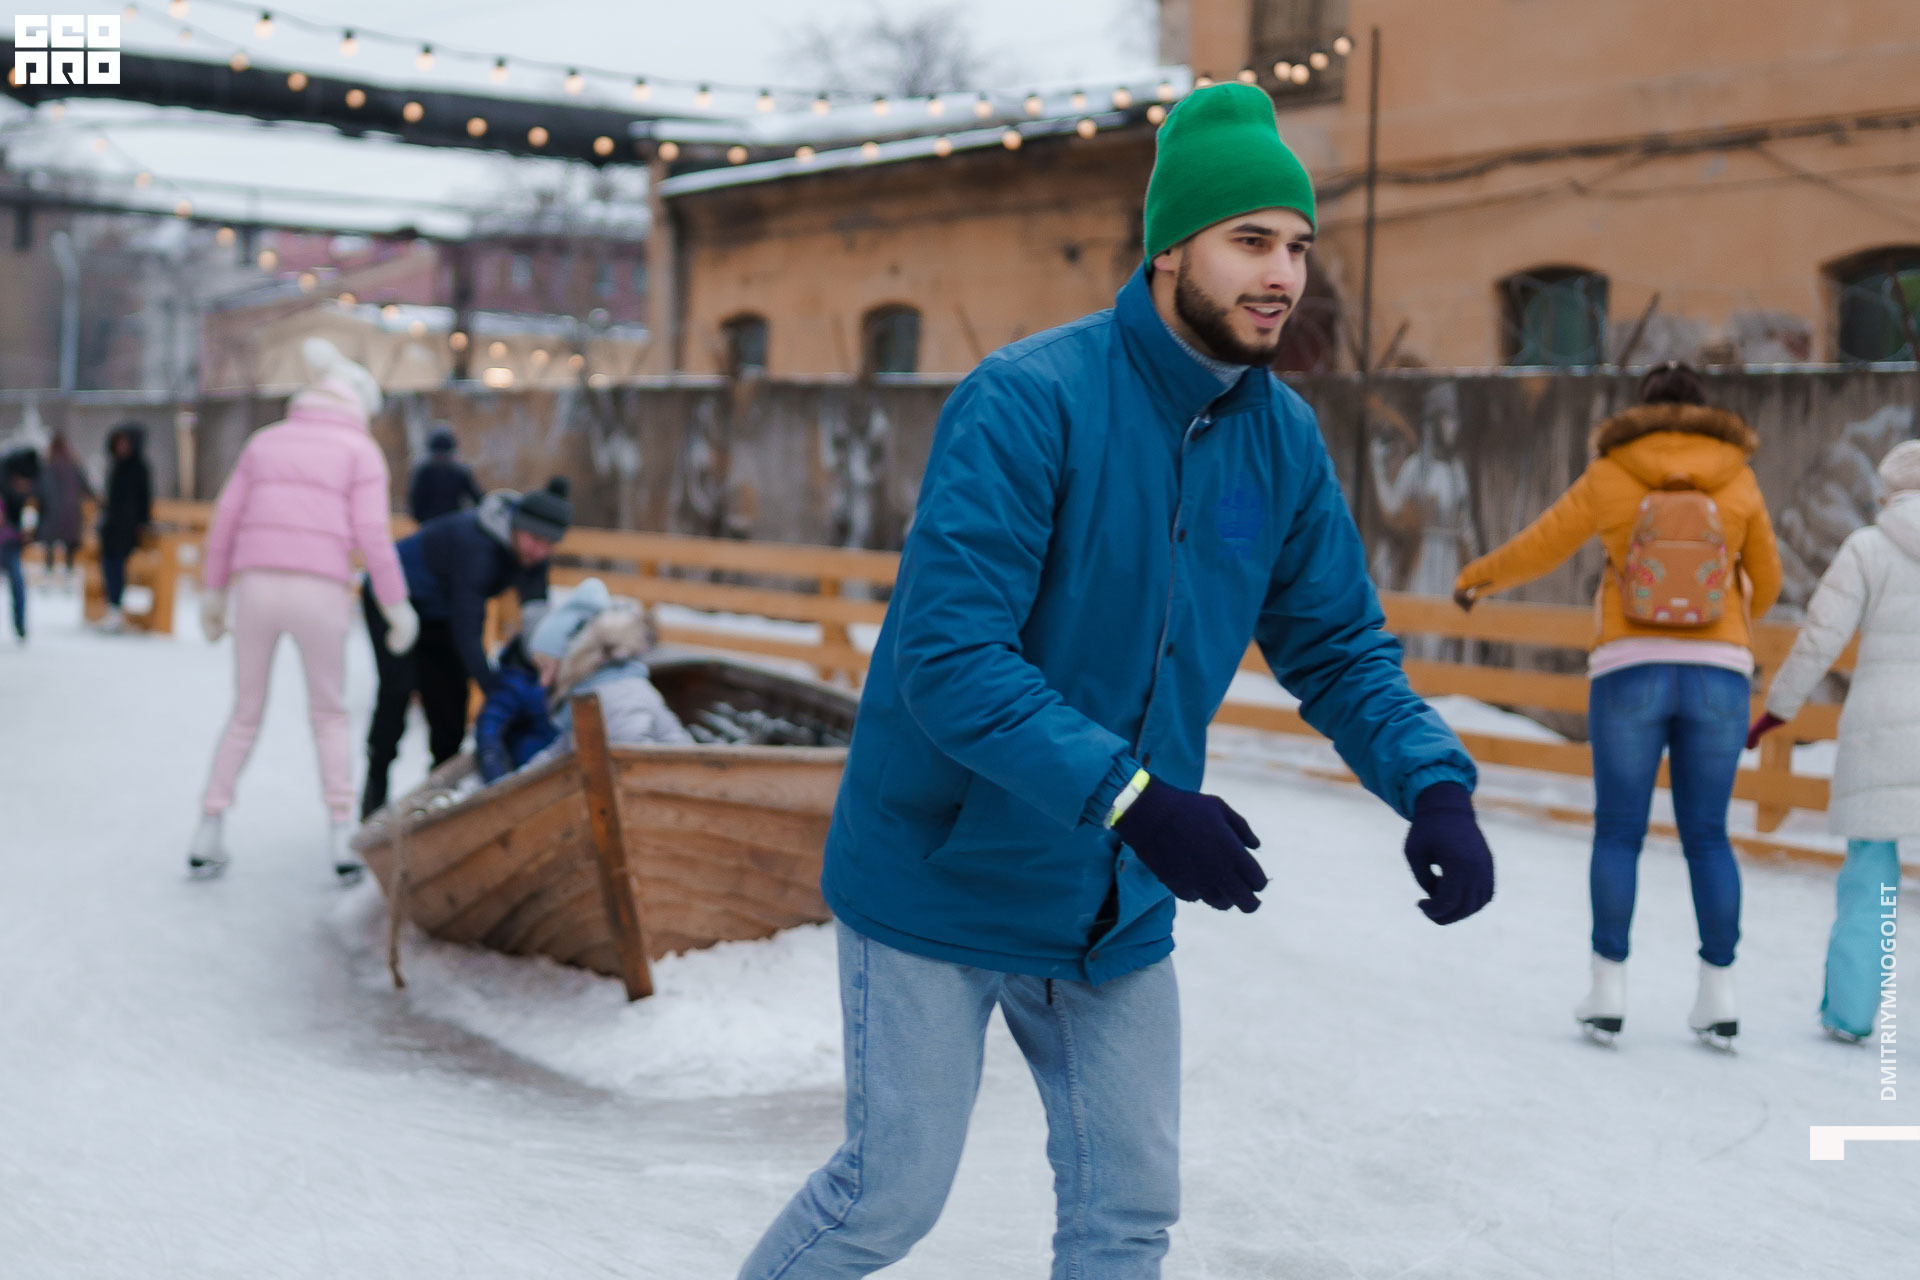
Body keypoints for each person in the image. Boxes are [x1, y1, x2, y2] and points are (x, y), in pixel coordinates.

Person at [738, 84, 1493, 1280]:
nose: (1282, 274)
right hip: (943, 879)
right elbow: (950, 660)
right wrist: (1138, 798)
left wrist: (1434, 786)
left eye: (1297, 246)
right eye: (1250, 240)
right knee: (888, 1198)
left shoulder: (1281, 439)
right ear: (1171, 248)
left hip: (1111, 904)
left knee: (1129, 1212)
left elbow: (1341, 648)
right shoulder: (1030, 402)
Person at [1454, 361, 1783, 1046]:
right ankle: (1718, 994)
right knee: (1709, 836)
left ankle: (1607, 988)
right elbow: (1770, 581)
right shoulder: (1740, 479)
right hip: (1719, 674)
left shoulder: (1611, 473)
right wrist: (1722, 616)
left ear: (1642, 411)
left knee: (1618, 833)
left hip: (1628, 670)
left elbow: (1543, 543)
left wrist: (1477, 578)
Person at [188, 338, 417, 883]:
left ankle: (208, 825)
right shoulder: (361, 452)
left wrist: (214, 591)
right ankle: (340, 835)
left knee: (244, 711)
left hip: (257, 588)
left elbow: (226, 519)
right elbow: (373, 537)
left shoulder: (264, 442)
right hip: (320, 590)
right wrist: (396, 603)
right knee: (330, 714)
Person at [1750, 440, 1920, 1043]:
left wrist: (1777, 710)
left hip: (1880, 723)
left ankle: (1850, 1014)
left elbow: (1820, 636)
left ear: (1886, 492)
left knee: (1870, 874)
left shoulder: (1868, 547)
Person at [360, 475, 572, 818]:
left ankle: (434, 809)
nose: (539, 551)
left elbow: (536, 617)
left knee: (450, 708)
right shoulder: (476, 546)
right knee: (397, 694)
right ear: (517, 526)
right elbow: (467, 627)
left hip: (439, 611)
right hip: (392, 599)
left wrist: (545, 665)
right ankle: (372, 803)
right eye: (534, 539)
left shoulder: (533, 555)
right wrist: (494, 687)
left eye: (549, 545)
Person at [521, 578, 691, 764]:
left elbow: (635, 766)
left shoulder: (611, 696)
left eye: (546, 667)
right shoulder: (599, 688)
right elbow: (557, 757)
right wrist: (507, 788)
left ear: (570, 658)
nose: (543, 681)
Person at [473, 610, 558, 785]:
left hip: (557, 763)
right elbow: (489, 725)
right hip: (530, 771)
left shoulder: (558, 674)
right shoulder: (514, 683)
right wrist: (496, 771)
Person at [95, 421, 152, 633]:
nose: (121, 447)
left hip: (126, 527)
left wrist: (142, 523)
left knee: (117, 567)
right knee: (108, 566)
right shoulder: (115, 466)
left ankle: (115, 609)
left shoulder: (138, 468)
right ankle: (112, 608)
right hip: (111, 527)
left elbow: (144, 498)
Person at [35, 431, 94, 588]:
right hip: (70, 513)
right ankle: (67, 574)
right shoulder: (73, 466)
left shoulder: (48, 465)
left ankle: (49, 575)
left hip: (52, 512)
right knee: (69, 546)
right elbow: (87, 488)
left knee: (50, 545)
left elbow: (39, 490)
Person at [2, 447, 41, 644]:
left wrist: (25, 533)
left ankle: (20, 624)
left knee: (17, 582)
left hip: (10, 544)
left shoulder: (29, 490)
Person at [407, 425, 483, 524]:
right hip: (455, 524)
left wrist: (420, 521)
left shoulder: (422, 470)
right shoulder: (460, 469)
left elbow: (415, 502)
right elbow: (479, 499)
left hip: (430, 525)